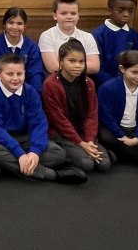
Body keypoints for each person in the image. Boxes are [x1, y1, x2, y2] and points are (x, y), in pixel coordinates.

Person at [0, 53, 86, 183]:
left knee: (57, 153)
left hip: (22, 135)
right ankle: (52, 174)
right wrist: (20, 154)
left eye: (19, 74)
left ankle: (4, 165)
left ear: (24, 73)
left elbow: (38, 123)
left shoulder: (30, 92)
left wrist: (34, 152)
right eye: (10, 74)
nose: (15, 79)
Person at [42, 39, 110, 173]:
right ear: (60, 61)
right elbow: (59, 120)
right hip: (61, 133)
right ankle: (74, 157)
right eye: (72, 61)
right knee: (87, 164)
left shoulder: (88, 83)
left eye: (81, 61)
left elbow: (92, 115)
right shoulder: (50, 84)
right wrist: (81, 143)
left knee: (104, 164)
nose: (78, 66)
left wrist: (90, 141)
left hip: (82, 132)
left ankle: (90, 151)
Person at [0, 7, 44, 93]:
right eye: (11, 23)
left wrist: (33, 95)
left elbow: (36, 75)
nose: (15, 27)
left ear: (25, 26)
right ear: (4, 25)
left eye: (19, 23)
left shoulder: (32, 46)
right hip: (1, 93)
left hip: (26, 93)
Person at [39, 0, 101, 74]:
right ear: (55, 15)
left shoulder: (87, 37)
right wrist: (80, 64)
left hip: (82, 81)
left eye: (73, 13)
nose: (69, 17)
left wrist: (66, 64)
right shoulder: (47, 36)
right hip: (56, 81)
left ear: (78, 15)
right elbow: (53, 67)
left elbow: (95, 67)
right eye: (63, 13)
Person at [92, 0, 138, 85]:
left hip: (131, 84)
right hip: (104, 85)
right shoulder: (98, 35)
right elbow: (97, 68)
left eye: (130, 10)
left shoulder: (136, 36)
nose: (126, 14)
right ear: (110, 10)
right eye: (121, 10)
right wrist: (115, 84)